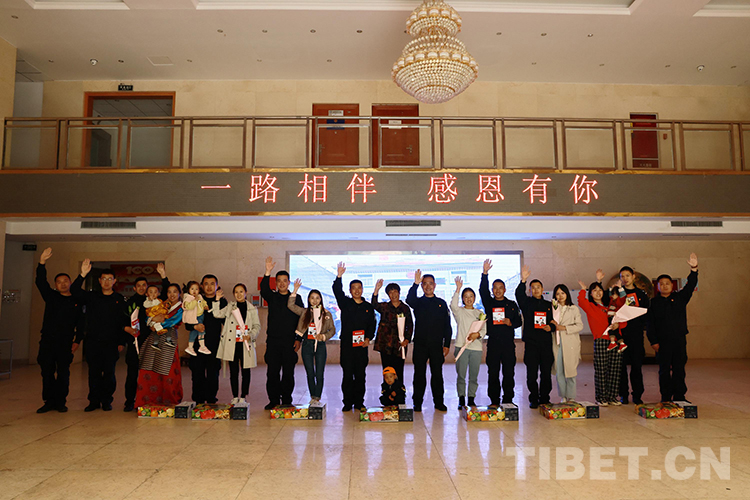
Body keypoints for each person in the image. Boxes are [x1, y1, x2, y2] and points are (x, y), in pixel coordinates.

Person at [71, 260, 129, 412]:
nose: (107, 282)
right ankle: (94, 401)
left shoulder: (119, 299)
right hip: (93, 342)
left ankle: (107, 400)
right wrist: (82, 274)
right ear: (99, 280)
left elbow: (123, 322)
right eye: (104, 279)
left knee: (109, 373)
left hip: (112, 342)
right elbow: (74, 290)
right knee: (93, 373)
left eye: (110, 279)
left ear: (114, 281)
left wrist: (121, 341)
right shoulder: (92, 297)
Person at [34, 247, 84, 413]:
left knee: (63, 373)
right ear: (55, 285)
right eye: (59, 282)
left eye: (65, 281)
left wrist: (77, 341)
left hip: (65, 343)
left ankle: (61, 402)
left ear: (70, 283)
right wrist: (42, 262)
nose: (63, 284)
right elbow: (41, 282)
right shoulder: (51, 297)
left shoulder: (77, 301)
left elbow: (81, 323)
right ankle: (49, 401)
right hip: (48, 341)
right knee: (47, 372)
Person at [648, 253, 699, 403]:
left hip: (679, 340)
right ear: (657, 286)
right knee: (664, 370)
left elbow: (690, 285)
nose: (664, 286)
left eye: (667, 283)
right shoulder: (653, 303)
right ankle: (665, 397)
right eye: (661, 284)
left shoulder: (680, 298)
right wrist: (653, 341)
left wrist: (694, 269)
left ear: (672, 285)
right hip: (662, 342)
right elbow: (650, 324)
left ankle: (679, 396)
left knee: (679, 369)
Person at [123, 264, 169, 412]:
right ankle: (129, 401)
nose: (142, 288)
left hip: (152, 342)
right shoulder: (129, 303)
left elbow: (167, 293)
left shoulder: (155, 301)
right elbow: (121, 321)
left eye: (144, 285)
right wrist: (126, 330)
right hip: (135, 342)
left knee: (150, 373)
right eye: (139, 286)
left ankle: (149, 400)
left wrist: (163, 275)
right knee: (132, 373)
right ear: (134, 288)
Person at [577, 270, 625, 407]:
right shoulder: (591, 307)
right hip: (601, 340)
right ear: (591, 294)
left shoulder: (610, 305)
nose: (598, 292)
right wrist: (583, 289)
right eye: (594, 291)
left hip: (615, 340)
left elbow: (622, 315)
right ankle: (601, 397)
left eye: (600, 290)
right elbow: (581, 301)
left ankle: (612, 396)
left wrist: (618, 325)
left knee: (615, 369)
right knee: (601, 370)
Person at [333, 262, 376, 412]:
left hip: (361, 346)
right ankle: (347, 402)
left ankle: (359, 402)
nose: (357, 290)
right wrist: (339, 276)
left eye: (359, 288)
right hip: (347, 346)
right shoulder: (345, 303)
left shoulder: (368, 307)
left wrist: (368, 338)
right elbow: (337, 291)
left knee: (360, 375)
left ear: (362, 290)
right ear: (350, 290)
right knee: (347, 375)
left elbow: (372, 324)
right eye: (354, 288)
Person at [261, 257, 304, 410]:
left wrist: (299, 339)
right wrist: (267, 271)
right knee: (272, 373)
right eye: (279, 281)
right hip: (273, 342)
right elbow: (264, 290)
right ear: (276, 283)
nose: (282, 283)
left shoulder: (296, 298)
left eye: (285, 281)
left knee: (288, 373)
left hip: (290, 342)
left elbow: (302, 320)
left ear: (289, 282)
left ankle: (286, 400)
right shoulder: (272, 296)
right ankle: (273, 400)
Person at [406, 269, 452, 412]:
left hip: (436, 345)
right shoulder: (418, 302)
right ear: (422, 286)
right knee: (419, 374)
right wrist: (415, 284)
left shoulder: (441, 303)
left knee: (437, 374)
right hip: (420, 344)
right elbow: (409, 300)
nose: (428, 286)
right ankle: (417, 402)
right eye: (424, 284)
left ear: (435, 285)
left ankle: (439, 402)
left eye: (430, 283)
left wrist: (447, 344)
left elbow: (447, 325)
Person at [479, 259, 522, 408]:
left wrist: (511, 323)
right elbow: (482, 291)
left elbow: (519, 321)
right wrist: (485, 274)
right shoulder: (489, 303)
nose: (497, 290)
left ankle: (508, 399)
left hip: (508, 344)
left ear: (504, 289)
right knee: (493, 373)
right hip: (493, 344)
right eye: (495, 288)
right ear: (492, 290)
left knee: (509, 373)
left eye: (500, 288)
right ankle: (494, 400)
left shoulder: (511, 305)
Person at [134, 283, 184, 407]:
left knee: (168, 370)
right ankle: (148, 400)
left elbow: (174, 321)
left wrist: (159, 323)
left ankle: (169, 400)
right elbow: (149, 315)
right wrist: (151, 322)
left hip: (169, 338)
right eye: (169, 292)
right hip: (154, 336)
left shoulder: (181, 307)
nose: (172, 295)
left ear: (179, 294)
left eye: (175, 292)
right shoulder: (162, 303)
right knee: (149, 367)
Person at [212, 284, 261, 405]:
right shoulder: (230, 306)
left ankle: (243, 396)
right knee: (233, 372)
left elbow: (257, 326)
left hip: (245, 343)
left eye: (241, 291)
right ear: (233, 294)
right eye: (236, 292)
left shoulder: (252, 309)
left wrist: (251, 335)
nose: (239, 294)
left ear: (245, 292)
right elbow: (217, 314)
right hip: (232, 343)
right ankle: (234, 396)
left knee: (246, 371)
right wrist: (216, 300)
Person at [288, 279, 336, 403]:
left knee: (319, 373)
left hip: (320, 345)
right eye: (312, 298)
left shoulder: (327, 314)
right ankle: (312, 396)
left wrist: (323, 336)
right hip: (307, 345)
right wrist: (295, 290)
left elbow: (332, 330)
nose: (315, 300)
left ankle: (317, 397)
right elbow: (291, 306)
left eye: (317, 298)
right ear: (308, 299)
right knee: (310, 373)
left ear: (321, 299)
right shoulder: (305, 312)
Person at [515, 265, 555, 409]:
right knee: (531, 374)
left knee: (546, 373)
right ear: (530, 290)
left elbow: (555, 322)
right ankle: (534, 398)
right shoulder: (526, 303)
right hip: (531, 344)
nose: (536, 290)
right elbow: (519, 294)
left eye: (538, 287)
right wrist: (523, 280)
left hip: (546, 344)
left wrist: (551, 327)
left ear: (543, 289)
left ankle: (545, 398)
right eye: (533, 288)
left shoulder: (549, 305)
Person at [185, 274, 227, 405]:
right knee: (197, 373)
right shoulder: (195, 300)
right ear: (202, 286)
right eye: (206, 284)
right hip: (196, 345)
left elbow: (226, 323)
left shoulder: (222, 302)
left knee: (213, 373)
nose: (209, 287)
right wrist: (194, 326)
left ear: (217, 286)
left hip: (214, 344)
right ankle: (198, 400)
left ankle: (211, 398)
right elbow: (186, 322)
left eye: (212, 284)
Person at [450, 276, 486, 409]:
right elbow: (453, 305)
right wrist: (457, 289)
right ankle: (461, 398)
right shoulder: (459, 312)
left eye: (471, 296)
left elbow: (484, 330)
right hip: (461, 347)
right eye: (466, 296)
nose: (468, 299)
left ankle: (471, 398)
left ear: (474, 298)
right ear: (463, 299)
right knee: (461, 375)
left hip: (476, 348)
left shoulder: (479, 313)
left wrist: (478, 335)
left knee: (473, 376)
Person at [618, 265, 650, 405]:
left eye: (627, 276)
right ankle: (623, 395)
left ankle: (637, 395)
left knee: (636, 366)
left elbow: (646, 313)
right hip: (621, 335)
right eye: (622, 276)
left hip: (636, 335)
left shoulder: (641, 294)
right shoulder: (618, 293)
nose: (625, 279)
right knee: (621, 367)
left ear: (633, 277)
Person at [371, 280, 413, 383]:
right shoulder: (384, 307)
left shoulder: (405, 308)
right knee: (387, 370)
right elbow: (374, 304)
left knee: (399, 369)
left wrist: (407, 339)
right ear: (388, 295)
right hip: (386, 345)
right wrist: (376, 290)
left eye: (395, 292)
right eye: (390, 292)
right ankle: (387, 390)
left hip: (400, 345)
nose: (393, 295)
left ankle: (399, 390)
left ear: (399, 293)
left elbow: (410, 325)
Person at [550, 284, 584, 403]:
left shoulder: (573, 308)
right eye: (557, 294)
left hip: (570, 343)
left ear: (567, 294)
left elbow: (579, 326)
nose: (560, 296)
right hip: (557, 343)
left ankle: (571, 396)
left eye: (562, 293)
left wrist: (564, 328)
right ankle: (563, 396)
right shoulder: (553, 308)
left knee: (570, 371)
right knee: (559, 371)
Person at [183, 280, 210, 356]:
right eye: (192, 289)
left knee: (194, 332)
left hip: (200, 315)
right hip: (194, 316)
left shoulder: (199, 296)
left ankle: (190, 347)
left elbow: (203, 301)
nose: (194, 291)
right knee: (201, 330)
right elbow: (188, 307)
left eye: (196, 289)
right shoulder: (188, 298)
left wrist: (205, 305)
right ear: (188, 290)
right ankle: (202, 346)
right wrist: (195, 301)